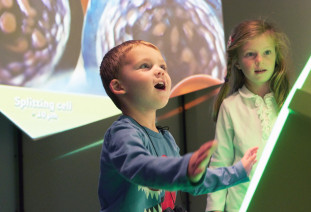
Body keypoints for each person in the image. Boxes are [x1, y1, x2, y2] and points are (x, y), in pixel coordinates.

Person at [98, 40, 258, 212]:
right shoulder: (121, 134)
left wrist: (238, 172)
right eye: (145, 66)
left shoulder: (166, 138)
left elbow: (193, 182)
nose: (159, 71)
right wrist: (185, 169)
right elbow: (141, 168)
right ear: (118, 86)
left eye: (163, 67)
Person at [206, 19, 290, 212]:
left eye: (267, 52)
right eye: (250, 54)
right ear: (236, 61)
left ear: (276, 56)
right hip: (241, 206)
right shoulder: (230, 107)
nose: (259, 61)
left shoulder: (288, 102)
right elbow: (219, 165)